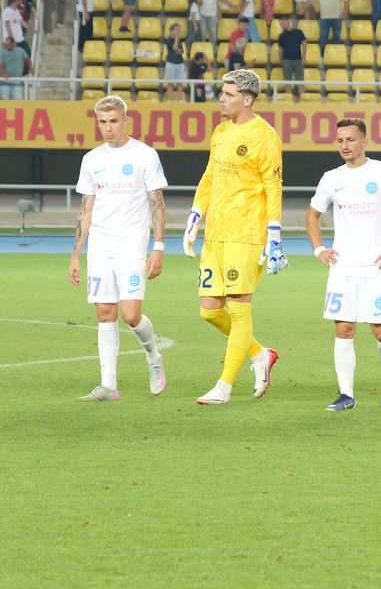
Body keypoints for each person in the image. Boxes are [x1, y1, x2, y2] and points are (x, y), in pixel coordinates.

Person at [305, 119, 381, 411]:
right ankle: (346, 394)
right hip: (342, 267)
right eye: (340, 140)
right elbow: (312, 214)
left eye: (350, 140)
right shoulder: (331, 177)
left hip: (375, 267)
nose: (345, 145)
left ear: (364, 142)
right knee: (344, 329)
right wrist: (319, 248)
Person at [184, 70, 283, 405]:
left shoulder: (265, 135)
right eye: (221, 93)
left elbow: (272, 184)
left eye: (228, 94)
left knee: (239, 309)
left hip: (247, 233)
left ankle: (223, 387)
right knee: (210, 311)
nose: (221, 99)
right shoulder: (221, 131)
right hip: (217, 233)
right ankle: (260, 355)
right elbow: (210, 175)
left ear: (247, 99)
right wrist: (196, 213)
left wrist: (274, 231)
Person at [69, 95, 168, 401]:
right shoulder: (91, 160)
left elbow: (158, 204)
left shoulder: (145, 155)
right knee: (104, 313)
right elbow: (86, 210)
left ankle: (153, 355)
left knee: (130, 314)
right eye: (102, 122)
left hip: (131, 246)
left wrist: (159, 247)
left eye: (113, 121)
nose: (108, 128)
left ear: (126, 120)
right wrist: (76, 253)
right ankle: (108, 386)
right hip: (100, 246)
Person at [163, 23, 187, 101]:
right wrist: (176, 39)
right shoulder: (168, 40)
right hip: (171, 63)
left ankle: (180, 100)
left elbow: (180, 51)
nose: (178, 32)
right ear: (171, 30)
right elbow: (175, 48)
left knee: (180, 83)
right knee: (170, 83)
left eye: (179, 30)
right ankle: (170, 100)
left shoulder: (179, 41)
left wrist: (177, 40)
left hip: (180, 63)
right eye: (176, 30)